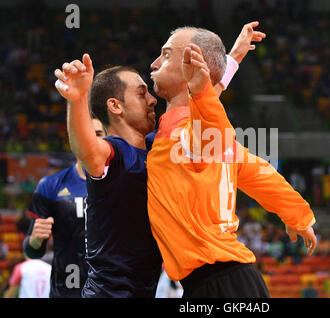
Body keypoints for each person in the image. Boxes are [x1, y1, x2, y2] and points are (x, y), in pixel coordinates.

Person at [53, 22, 266, 297]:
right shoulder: (115, 153)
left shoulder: (158, 147)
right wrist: (78, 99)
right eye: (141, 94)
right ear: (115, 106)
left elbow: (204, 100)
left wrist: (233, 58)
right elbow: (86, 149)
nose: (152, 100)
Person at [146, 25, 317, 297]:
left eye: (166, 55)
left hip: (218, 284)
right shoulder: (221, 144)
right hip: (230, 280)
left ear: (191, 65)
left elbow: (210, 117)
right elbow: (265, 176)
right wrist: (297, 215)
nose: (154, 64)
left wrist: (201, 88)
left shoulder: (189, 134)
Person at [22, 118, 106, 298]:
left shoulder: (123, 183)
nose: (90, 140)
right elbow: (32, 250)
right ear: (73, 140)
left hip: (111, 288)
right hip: (67, 289)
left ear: (108, 139)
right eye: (84, 134)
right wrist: (35, 240)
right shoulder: (50, 185)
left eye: (98, 134)